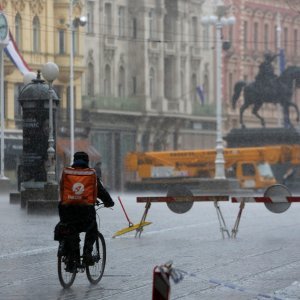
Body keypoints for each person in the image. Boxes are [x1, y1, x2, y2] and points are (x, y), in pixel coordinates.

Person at [57, 151, 114, 270]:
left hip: (66, 209)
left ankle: (70, 257)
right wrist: (109, 202)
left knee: (69, 228)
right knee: (92, 228)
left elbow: (62, 189)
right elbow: (101, 191)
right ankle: (87, 253)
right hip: (85, 210)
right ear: (87, 161)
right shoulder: (91, 174)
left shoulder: (66, 172)